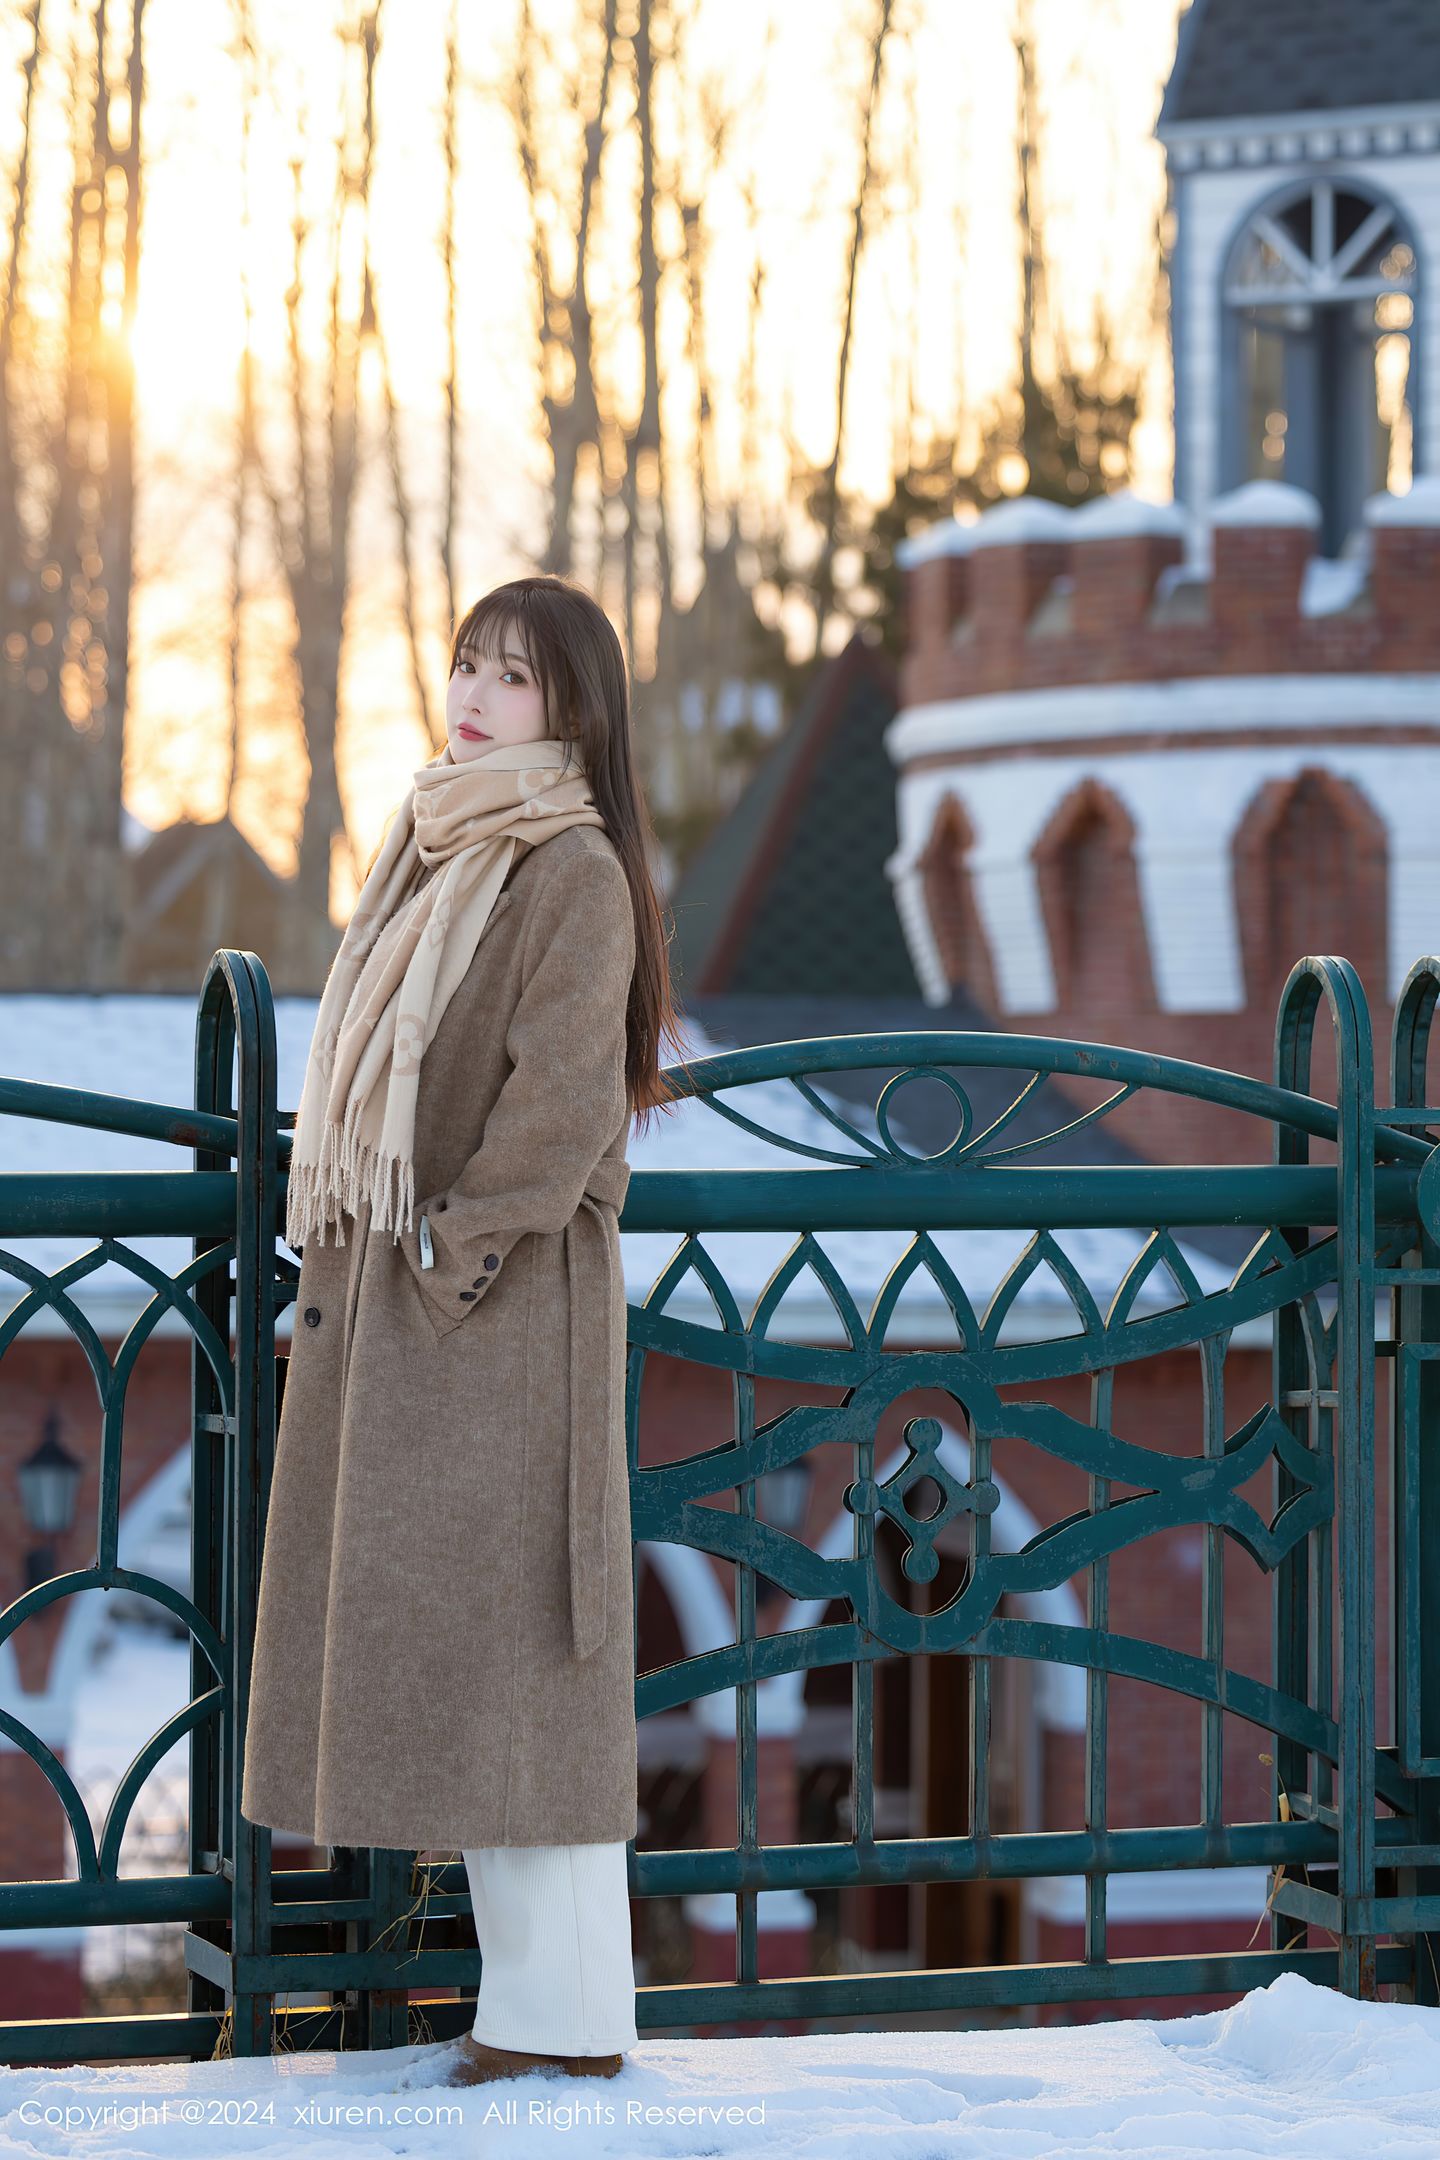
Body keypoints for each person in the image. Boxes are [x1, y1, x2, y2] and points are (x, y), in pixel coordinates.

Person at [239, 575, 694, 2084]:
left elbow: (561, 1105)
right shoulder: (437, 844)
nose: (477, 696)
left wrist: (449, 1250)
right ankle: (541, 2014)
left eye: (513, 675)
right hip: (423, 1318)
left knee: (531, 1666)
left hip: (500, 1313)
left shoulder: (572, 868)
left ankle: (571, 2025)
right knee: (491, 1669)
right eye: (466, 665)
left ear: (575, 707)